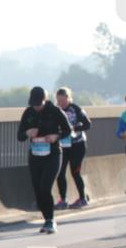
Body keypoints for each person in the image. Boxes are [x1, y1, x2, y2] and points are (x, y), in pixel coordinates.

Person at [18, 87, 71, 234]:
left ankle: (50, 220)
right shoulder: (28, 113)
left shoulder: (55, 111)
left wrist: (56, 136)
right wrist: (27, 132)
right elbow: (20, 136)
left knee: (45, 187)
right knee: (37, 189)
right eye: (34, 104)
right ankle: (46, 217)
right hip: (35, 155)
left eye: (39, 104)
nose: (37, 107)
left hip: (53, 154)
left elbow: (68, 129)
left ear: (45, 100)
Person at [54, 87, 92, 209]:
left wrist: (75, 128)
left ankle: (82, 198)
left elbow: (88, 124)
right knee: (60, 172)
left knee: (75, 172)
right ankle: (63, 200)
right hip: (63, 146)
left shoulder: (76, 109)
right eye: (58, 101)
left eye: (63, 100)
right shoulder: (56, 110)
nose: (61, 103)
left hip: (78, 145)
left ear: (68, 98)